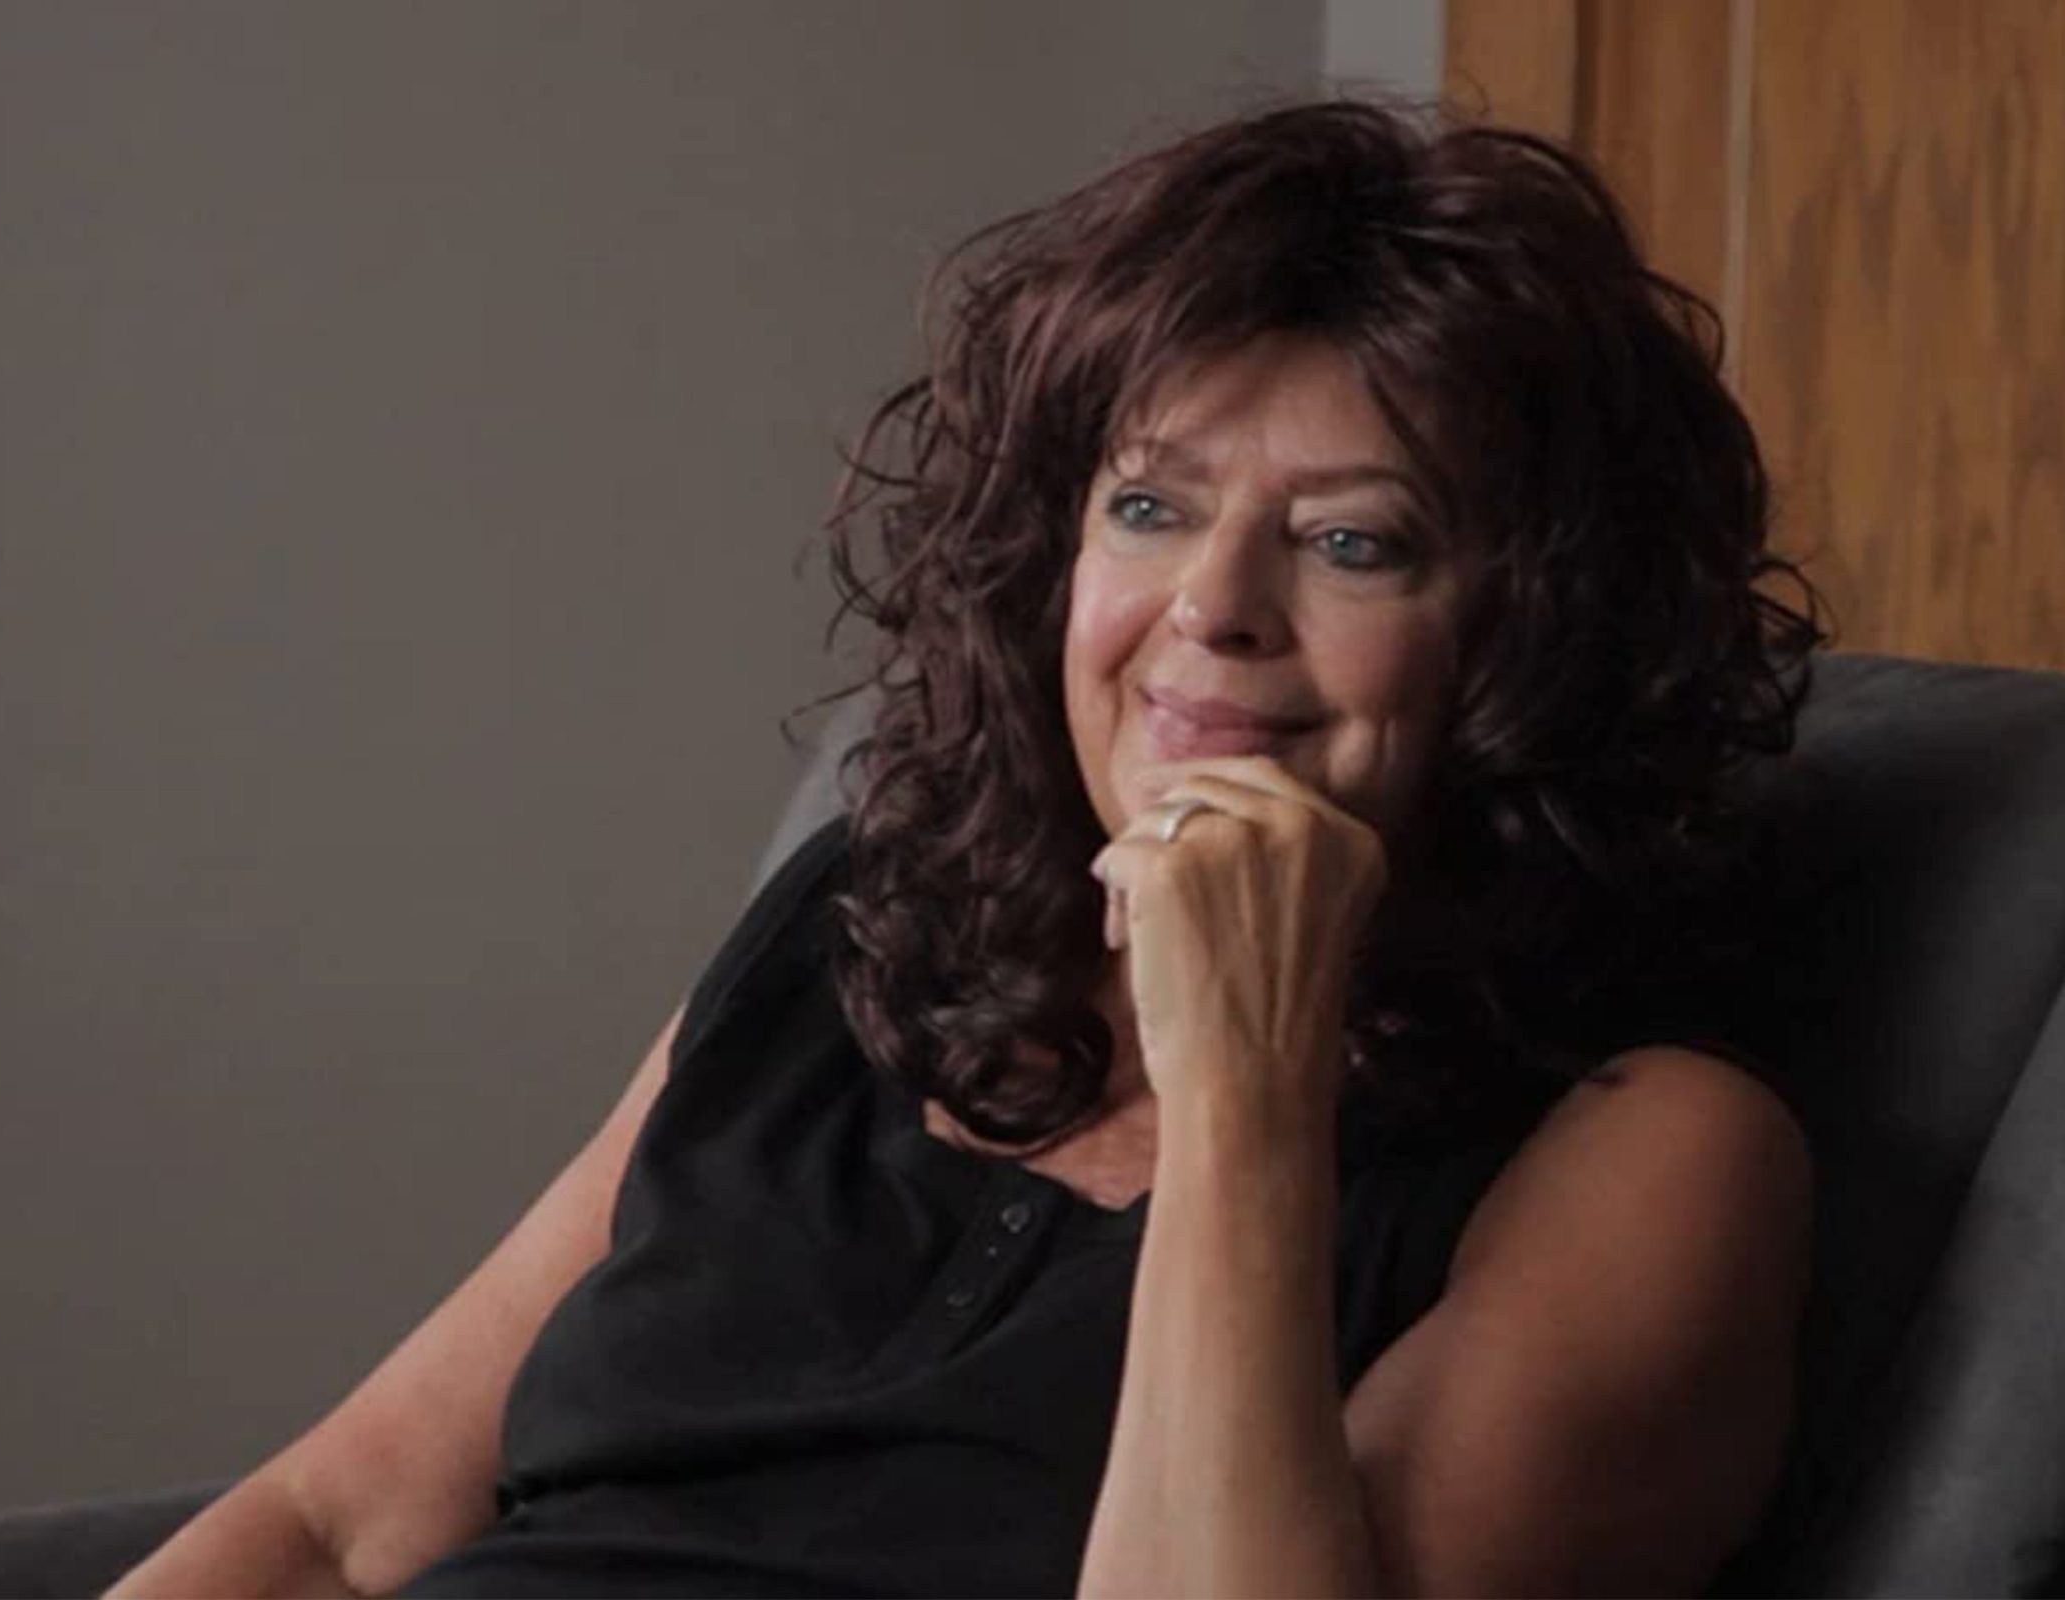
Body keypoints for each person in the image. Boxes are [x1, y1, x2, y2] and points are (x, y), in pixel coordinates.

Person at [110, 97, 1824, 1597]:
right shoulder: (869, 927)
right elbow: (341, 1528)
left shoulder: (1652, 1153)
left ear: (1533, 640)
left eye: (1352, 543)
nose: (1212, 607)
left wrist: (1243, 1078)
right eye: (1147, 508)